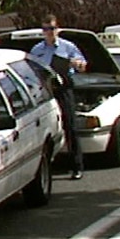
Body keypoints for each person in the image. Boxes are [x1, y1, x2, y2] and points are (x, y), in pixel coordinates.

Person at [30, 14, 87, 180]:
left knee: (70, 126)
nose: (49, 32)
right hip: (45, 90)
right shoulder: (37, 50)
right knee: (42, 128)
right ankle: (44, 169)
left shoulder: (68, 47)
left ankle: (77, 166)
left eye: (52, 29)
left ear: (58, 29)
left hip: (63, 87)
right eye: (46, 29)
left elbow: (82, 65)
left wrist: (76, 64)